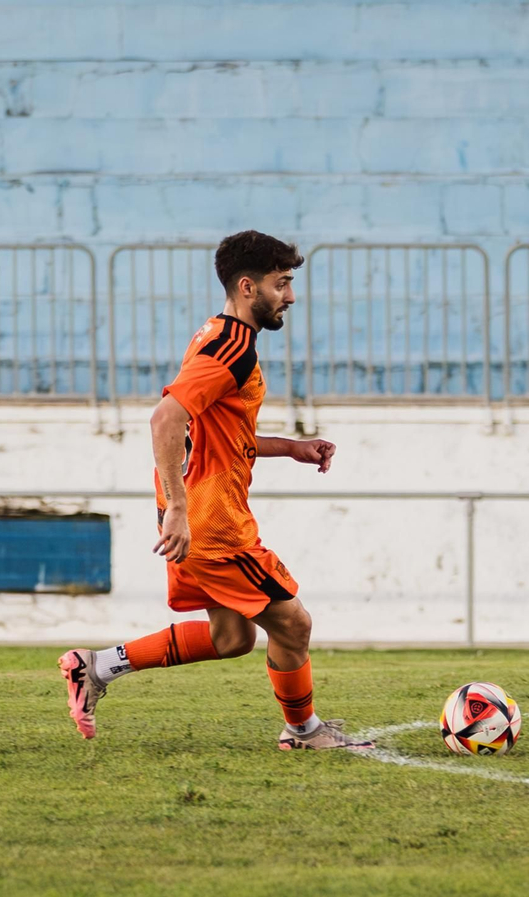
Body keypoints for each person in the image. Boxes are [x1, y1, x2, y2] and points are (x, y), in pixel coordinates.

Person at [58, 230, 371, 750]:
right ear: (248, 287)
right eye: (282, 284)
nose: (290, 297)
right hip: (212, 522)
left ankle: (95, 667)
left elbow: (216, 433)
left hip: (200, 510)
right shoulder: (232, 348)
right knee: (293, 624)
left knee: (232, 639)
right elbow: (165, 420)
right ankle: (303, 731)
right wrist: (179, 509)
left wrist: (289, 448)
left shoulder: (218, 335)